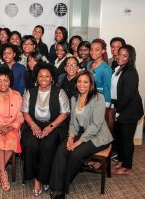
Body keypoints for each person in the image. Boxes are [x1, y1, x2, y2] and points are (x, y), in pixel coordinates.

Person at [49, 70, 113, 199]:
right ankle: (55, 186)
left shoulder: (98, 98)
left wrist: (78, 142)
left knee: (76, 153)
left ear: (91, 84)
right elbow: (73, 123)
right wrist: (71, 137)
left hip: (99, 136)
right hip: (82, 133)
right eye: (79, 81)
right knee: (62, 150)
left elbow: (96, 125)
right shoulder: (74, 98)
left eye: (85, 82)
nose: (81, 84)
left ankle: (62, 188)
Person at [21, 63, 69, 196]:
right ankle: (36, 178)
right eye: (40, 76)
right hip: (33, 124)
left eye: (47, 76)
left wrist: (51, 126)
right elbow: (25, 112)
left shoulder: (59, 92)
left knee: (47, 145)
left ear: (52, 78)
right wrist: (33, 126)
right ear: (36, 78)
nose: (43, 79)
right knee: (31, 143)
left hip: (55, 125)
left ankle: (42, 179)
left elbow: (64, 113)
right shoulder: (30, 92)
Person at [111, 45, 143, 175]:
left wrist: (117, 111)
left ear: (130, 58)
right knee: (120, 138)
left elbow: (128, 96)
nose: (120, 57)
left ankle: (127, 166)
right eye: (119, 54)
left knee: (127, 140)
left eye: (125, 56)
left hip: (129, 110)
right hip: (121, 108)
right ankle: (121, 161)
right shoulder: (119, 68)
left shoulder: (130, 72)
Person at [86, 38, 112, 107]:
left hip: (99, 101)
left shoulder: (106, 69)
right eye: (91, 49)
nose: (93, 52)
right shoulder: (88, 64)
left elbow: (107, 89)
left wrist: (106, 106)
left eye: (97, 50)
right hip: (87, 98)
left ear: (103, 51)